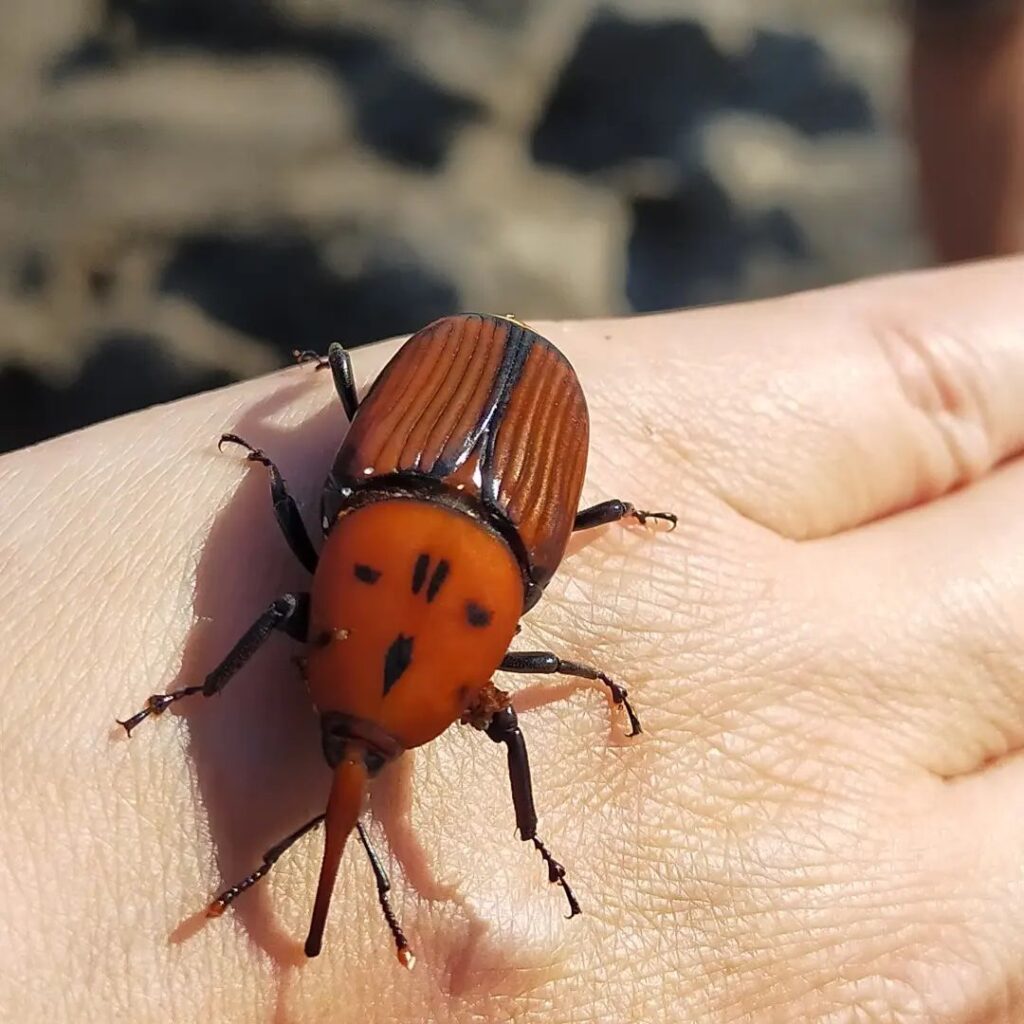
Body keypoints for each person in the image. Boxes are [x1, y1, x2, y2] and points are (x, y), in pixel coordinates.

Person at [3, 256, 1023, 1021]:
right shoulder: (429, 573)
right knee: (289, 578)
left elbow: (294, 607)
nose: (351, 771)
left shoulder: (386, 560)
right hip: (462, 447)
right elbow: (299, 606)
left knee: (286, 584)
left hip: (476, 433)